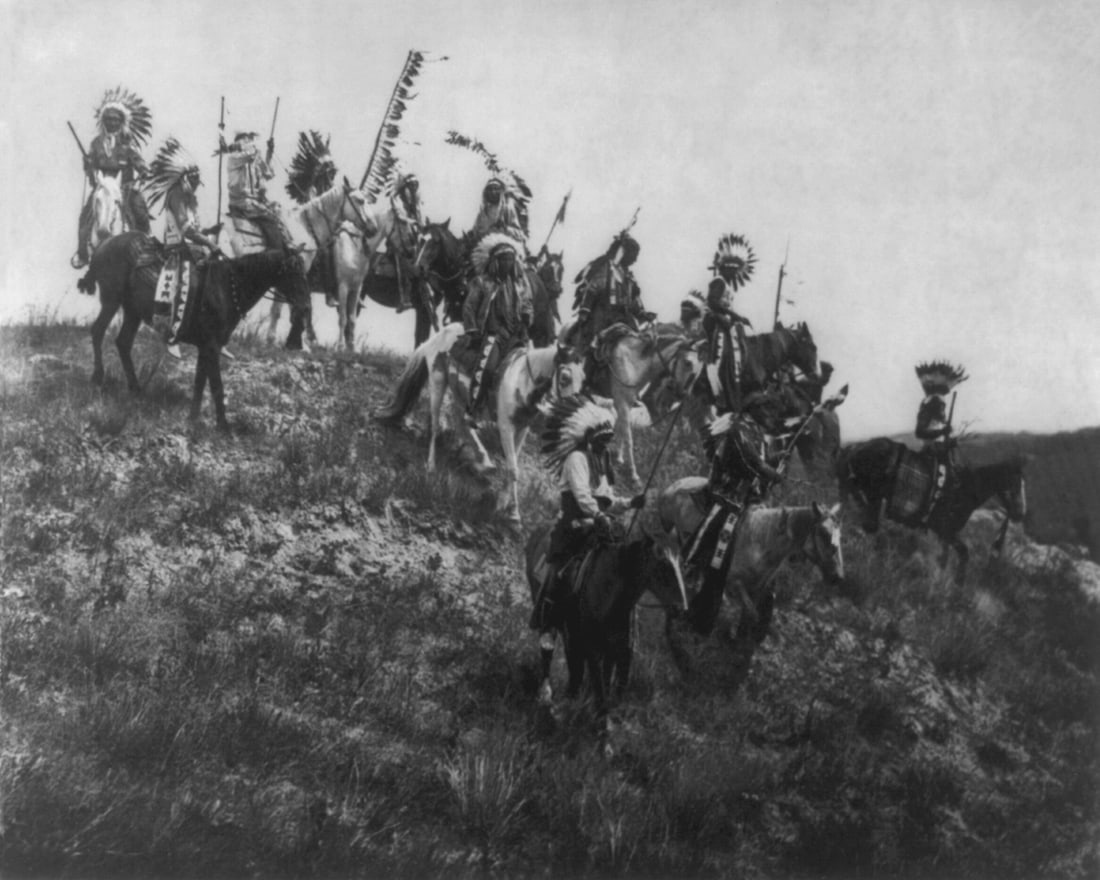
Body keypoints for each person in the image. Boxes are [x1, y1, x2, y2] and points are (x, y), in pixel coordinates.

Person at [529, 395, 646, 645]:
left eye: (608, 440)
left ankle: (624, 624)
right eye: (602, 441)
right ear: (590, 438)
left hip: (600, 523)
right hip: (574, 523)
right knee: (561, 570)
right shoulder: (576, 459)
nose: (607, 445)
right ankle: (549, 620)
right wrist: (598, 515)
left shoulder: (601, 461)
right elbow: (583, 496)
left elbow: (608, 498)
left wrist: (629, 503)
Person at [683, 391, 786, 634]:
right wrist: (772, 473)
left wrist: (775, 458)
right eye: (768, 411)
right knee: (719, 530)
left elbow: (759, 460)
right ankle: (694, 563)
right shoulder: (738, 430)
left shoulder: (755, 431)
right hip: (728, 491)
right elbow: (751, 462)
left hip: (747, 493)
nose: (771, 417)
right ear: (756, 409)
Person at [146, 138, 221, 357]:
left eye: (199, 178)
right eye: (195, 178)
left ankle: (215, 333)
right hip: (177, 250)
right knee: (189, 285)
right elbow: (186, 230)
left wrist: (209, 231)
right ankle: (172, 335)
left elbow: (195, 229)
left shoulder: (190, 198)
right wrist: (208, 242)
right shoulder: (176, 195)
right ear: (185, 178)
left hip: (193, 248)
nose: (198, 182)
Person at [73, 88, 153, 268]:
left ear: (121, 121)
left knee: (140, 210)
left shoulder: (127, 145)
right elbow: (91, 167)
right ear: (104, 121)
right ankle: (83, 253)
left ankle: (146, 248)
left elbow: (139, 163)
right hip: (102, 186)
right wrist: (87, 162)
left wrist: (142, 173)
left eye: (115, 119)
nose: (112, 123)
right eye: (108, 119)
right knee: (85, 216)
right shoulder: (96, 143)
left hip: (124, 188)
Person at [459, 233, 533, 419]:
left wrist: (526, 318)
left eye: (510, 259)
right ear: (495, 262)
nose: (508, 263)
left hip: (516, 336)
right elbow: (469, 307)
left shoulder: (520, 284)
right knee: (489, 368)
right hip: (494, 335)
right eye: (504, 259)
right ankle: (474, 409)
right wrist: (473, 330)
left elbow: (527, 304)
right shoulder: (483, 282)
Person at [570, 232, 654, 381]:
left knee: (637, 343)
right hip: (604, 315)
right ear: (624, 253)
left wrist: (642, 313)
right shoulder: (607, 270)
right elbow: (592, 289)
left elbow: (633, 300)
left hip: (623, 317)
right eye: (633, 254)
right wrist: (585, 310)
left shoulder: (628, 276)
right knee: (595, 344)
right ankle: (585, 378)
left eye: (636, 255)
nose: (635, 259)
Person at [701, 233, 757, 415]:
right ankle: (714, 388)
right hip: (715, 324)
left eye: (736, 271)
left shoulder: (727, 285)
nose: (734, 273)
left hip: (725, 325)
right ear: (725, 268)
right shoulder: (718, 282)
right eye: (731, 270)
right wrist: (735, 315)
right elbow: (713, 302)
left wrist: (737, 319)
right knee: (720, 356)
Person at [218, 130, 290, 252]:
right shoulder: (234, 158)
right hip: (242, 203)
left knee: (279, 211)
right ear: (240, 143)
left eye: (249, 140)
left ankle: (286, 245)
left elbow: (268, 174)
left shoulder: (252, 161)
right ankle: (277, 254)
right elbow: (251, 153)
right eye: (246, 140)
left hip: (254, 202)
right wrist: (249, 146)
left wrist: (269, 153)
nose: (249, 142)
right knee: (270, 220)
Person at [388, 172, 424, 312]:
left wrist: (421, 226)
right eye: (411, 185)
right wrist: (412, 222)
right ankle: (405, 297)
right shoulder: (397, 200)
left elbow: (420, 219)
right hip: (398, 237)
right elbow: (400, 216)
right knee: (402, 259)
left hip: (413, 237)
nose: (413, 188)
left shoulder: (416, 203)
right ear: (405, 187)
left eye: (415, 185)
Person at [470, 177, 527, 245]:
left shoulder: (507, 208)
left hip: (504, 244)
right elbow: (475, 232)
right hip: (484, 246)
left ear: (501, 191)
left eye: (496, 189)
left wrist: (504, 228)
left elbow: (519, 234)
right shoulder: (483, 213)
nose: (493, 192)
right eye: (490, 189)